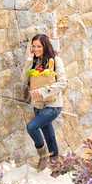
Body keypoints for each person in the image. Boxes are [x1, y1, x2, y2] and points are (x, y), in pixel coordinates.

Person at [21, 34, 67, 171]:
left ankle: (43, 156)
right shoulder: (34, 61)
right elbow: (24, 79)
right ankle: (56, 166)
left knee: (32, 127)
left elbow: (63, 82)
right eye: (33, 46)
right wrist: (29, 60)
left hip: (53, 105)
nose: (36, 49)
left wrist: (43, 91)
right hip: (38, 105)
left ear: (45, 46)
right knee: (49, 135)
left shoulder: (56, 60)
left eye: (39, 46)